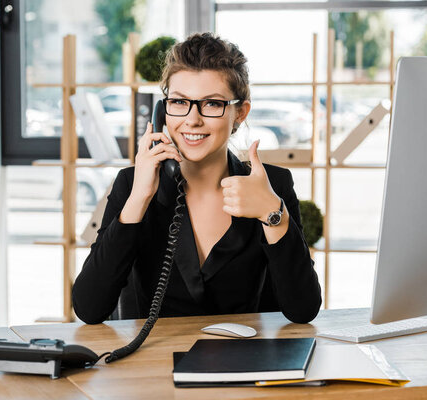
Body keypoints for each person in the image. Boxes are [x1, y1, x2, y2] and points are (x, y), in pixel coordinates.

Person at [73, 32, 321, 325]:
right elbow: (89, 308)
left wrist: (272, 213)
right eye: (179, 102)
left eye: (212, 104)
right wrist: (139, 198)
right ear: (163, 110)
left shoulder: (271, 185)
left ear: (240, 113)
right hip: (154, 366)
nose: (192, 120)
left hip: (244, 365)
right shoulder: (132, 184)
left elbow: (303, 310)